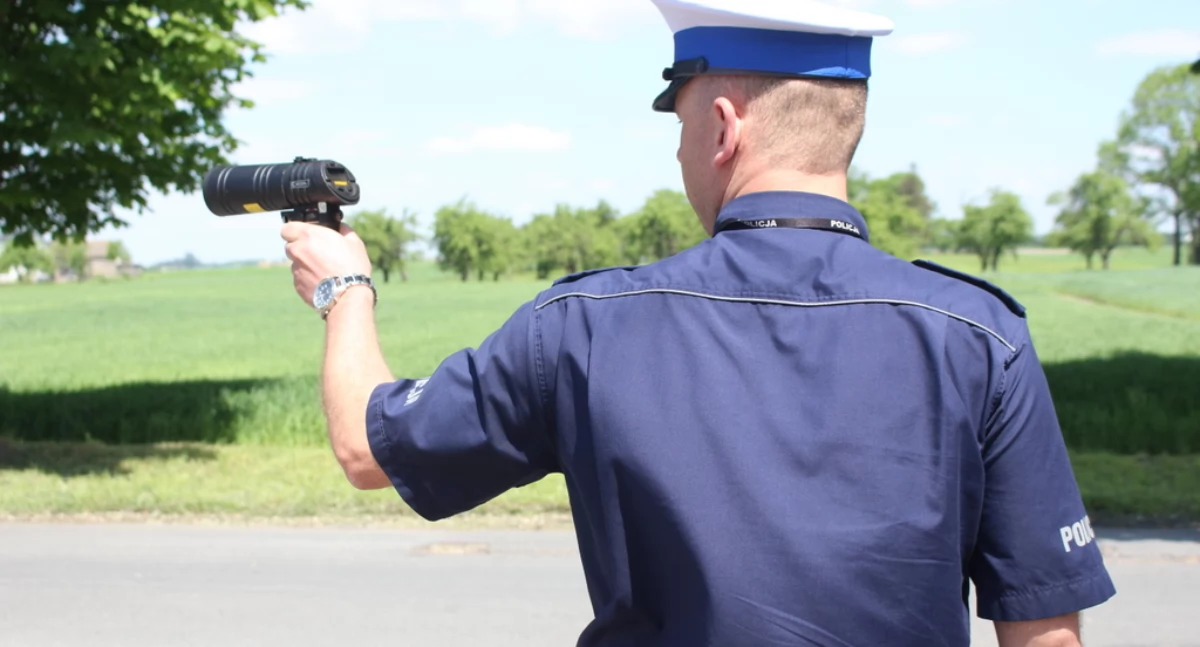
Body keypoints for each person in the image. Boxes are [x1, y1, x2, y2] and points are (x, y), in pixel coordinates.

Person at [280, 0, 1116, 644]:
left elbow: (368, 445)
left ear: (723, 128)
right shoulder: (981, 334)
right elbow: (1045, 626)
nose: (679, 153)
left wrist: (344, 288)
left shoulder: (585, 326)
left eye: (680, 125)